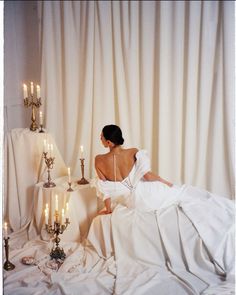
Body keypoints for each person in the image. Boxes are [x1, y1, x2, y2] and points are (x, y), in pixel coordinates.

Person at [95, 124, 178, 214]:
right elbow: (148, 176)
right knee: (176, 194)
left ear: (109, 143)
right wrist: (165, 182)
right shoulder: (133, 152)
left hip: (128, 201)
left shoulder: (99, 160)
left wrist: (108, 210)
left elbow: (105, 188)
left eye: (102, 137)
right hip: (145, 193)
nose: (100, 138)